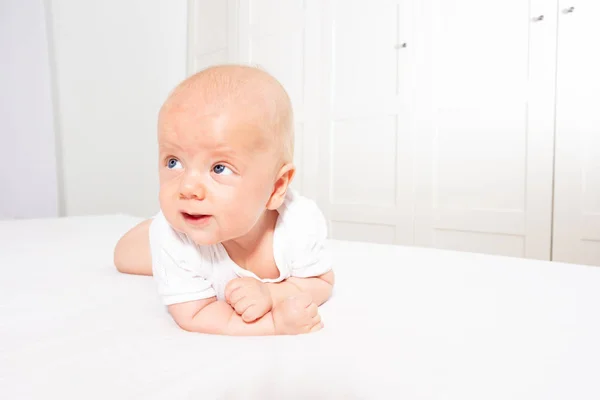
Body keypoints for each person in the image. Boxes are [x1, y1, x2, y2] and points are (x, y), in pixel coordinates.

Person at [113, 64, 335, 336]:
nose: (188, 187)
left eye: (219, 168)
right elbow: (195, 314)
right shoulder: (172, 238)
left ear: (276, 187)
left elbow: (320, 281)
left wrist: (271, 294)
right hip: (174, 235)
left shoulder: (298, 222)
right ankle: (149, 228)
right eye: (174, 162)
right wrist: (274, 324)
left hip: (193, 222)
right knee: (124, 256)